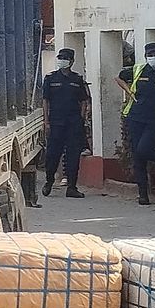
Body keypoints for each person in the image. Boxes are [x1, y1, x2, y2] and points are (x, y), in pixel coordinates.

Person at [117, 42, 155, 206]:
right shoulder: (137, 70)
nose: (153, 57)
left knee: (143, 149)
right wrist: (128, 90)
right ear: (145, 57)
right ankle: (143, 194)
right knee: (138, 157)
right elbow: (119, 77)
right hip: (136, 117)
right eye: (150, 55)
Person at [40, 47, 91, 199]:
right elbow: (45, 101)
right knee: (52, 155)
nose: (62, 60)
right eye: (60, 58)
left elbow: (84, 101)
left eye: (65, 58)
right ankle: (49, 181)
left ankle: (72, 187)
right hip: (56, 122)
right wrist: (46, 121)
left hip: (73, 123)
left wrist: (81, 119)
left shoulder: (77, 79)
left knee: (73, 156)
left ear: (72, 61)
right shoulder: (50, 78)